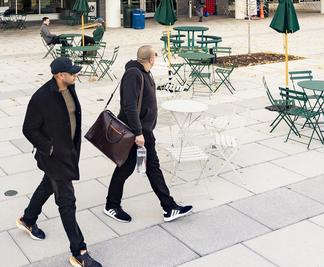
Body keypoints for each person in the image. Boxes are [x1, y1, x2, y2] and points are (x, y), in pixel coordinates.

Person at [18, 58, 102, 267]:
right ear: (59, 76)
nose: (76, 75)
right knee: (67, 202)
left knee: (48, 185)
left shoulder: (69, 87)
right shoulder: (41, 98)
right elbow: (28, 129)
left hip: (68, 152)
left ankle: (28, 219)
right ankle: (79, 252)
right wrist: (50, 148)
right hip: (54, 157)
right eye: (72, 73)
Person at [103, 45, 193, 224]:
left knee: (138, 168)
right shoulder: (133, 74)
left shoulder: (143, 73)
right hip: (137, 132)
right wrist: (138, 133)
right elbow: (129, 106)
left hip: (143, 131)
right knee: (144, 168)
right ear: (151, 59)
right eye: (155, 57)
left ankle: (168, 207)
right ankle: (114, 205)